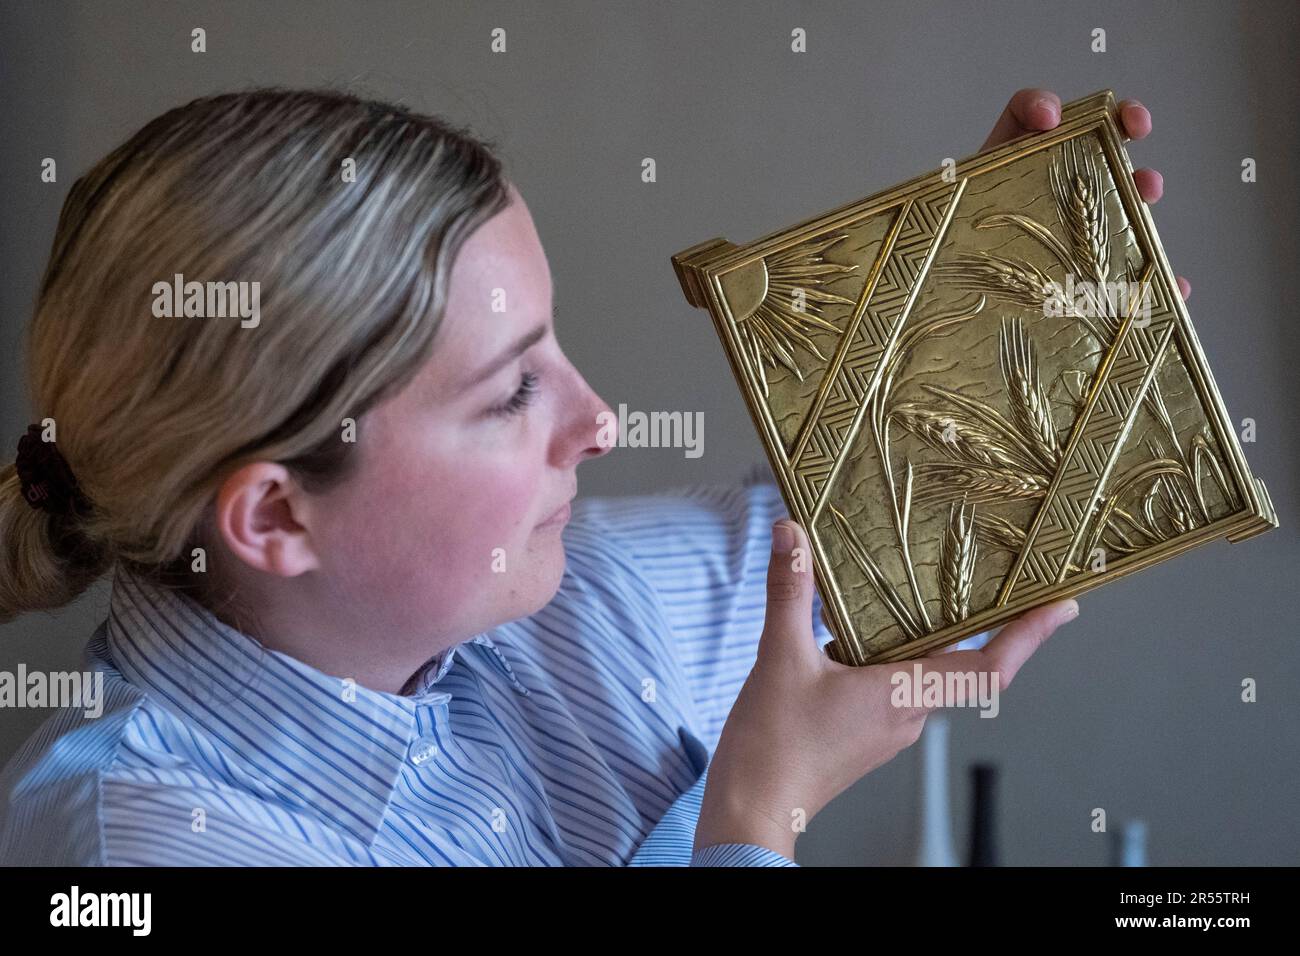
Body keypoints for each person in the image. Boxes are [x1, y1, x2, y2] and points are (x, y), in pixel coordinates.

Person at [0, 87, 1178, 865]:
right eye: (511, 391)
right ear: (274, 513)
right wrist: (760, 817)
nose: (599, 420)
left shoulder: (556, 599)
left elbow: (849, 530)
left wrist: (1000, 300)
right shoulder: (139, 849)